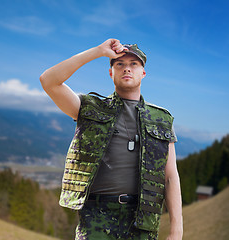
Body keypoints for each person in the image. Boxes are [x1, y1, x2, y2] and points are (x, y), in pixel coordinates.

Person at [40, 39, 183, 240]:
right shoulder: (89, 107)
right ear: (111, 72)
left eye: (134, 64)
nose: (127, 69)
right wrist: (98, 51)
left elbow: (170, 176)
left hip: (143, 221)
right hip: (97, 219)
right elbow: (48, 81)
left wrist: (177, 229)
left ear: (143, 73)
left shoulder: (162, 119)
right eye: (120, 64)